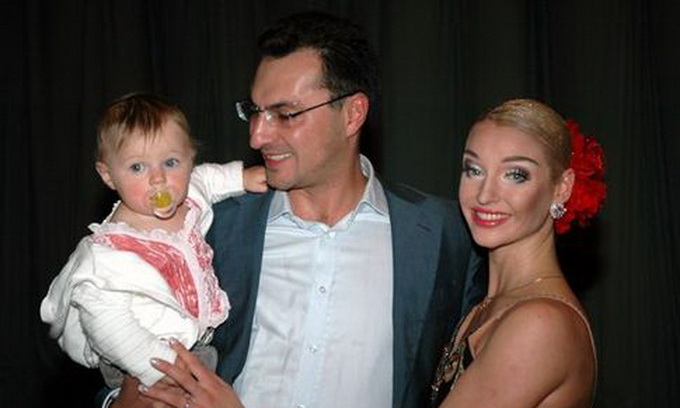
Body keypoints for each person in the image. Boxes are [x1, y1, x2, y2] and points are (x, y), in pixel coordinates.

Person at [114, 11, 484, 408]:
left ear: (353, 114)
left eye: (285, 114)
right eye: (254, 112)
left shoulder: (444, 235)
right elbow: (123, 361)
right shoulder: (206, 226)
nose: (257, 136)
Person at [40, 93, 267, 390]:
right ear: (108, 175)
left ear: (190, 158)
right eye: (137, 167)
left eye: (171, 162)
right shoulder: (111, 253)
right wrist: (161, 367)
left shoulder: (189, 198)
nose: (158, 179)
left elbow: (206, 179)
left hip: (195, 345)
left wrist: (241, 177)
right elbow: (106, 324)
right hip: (138, 360)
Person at [430, 99, 604, 408]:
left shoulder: (542, 323)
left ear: (562, 187)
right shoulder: (487, 307)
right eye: (474, 170)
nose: (485, 195)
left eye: (515, 175)